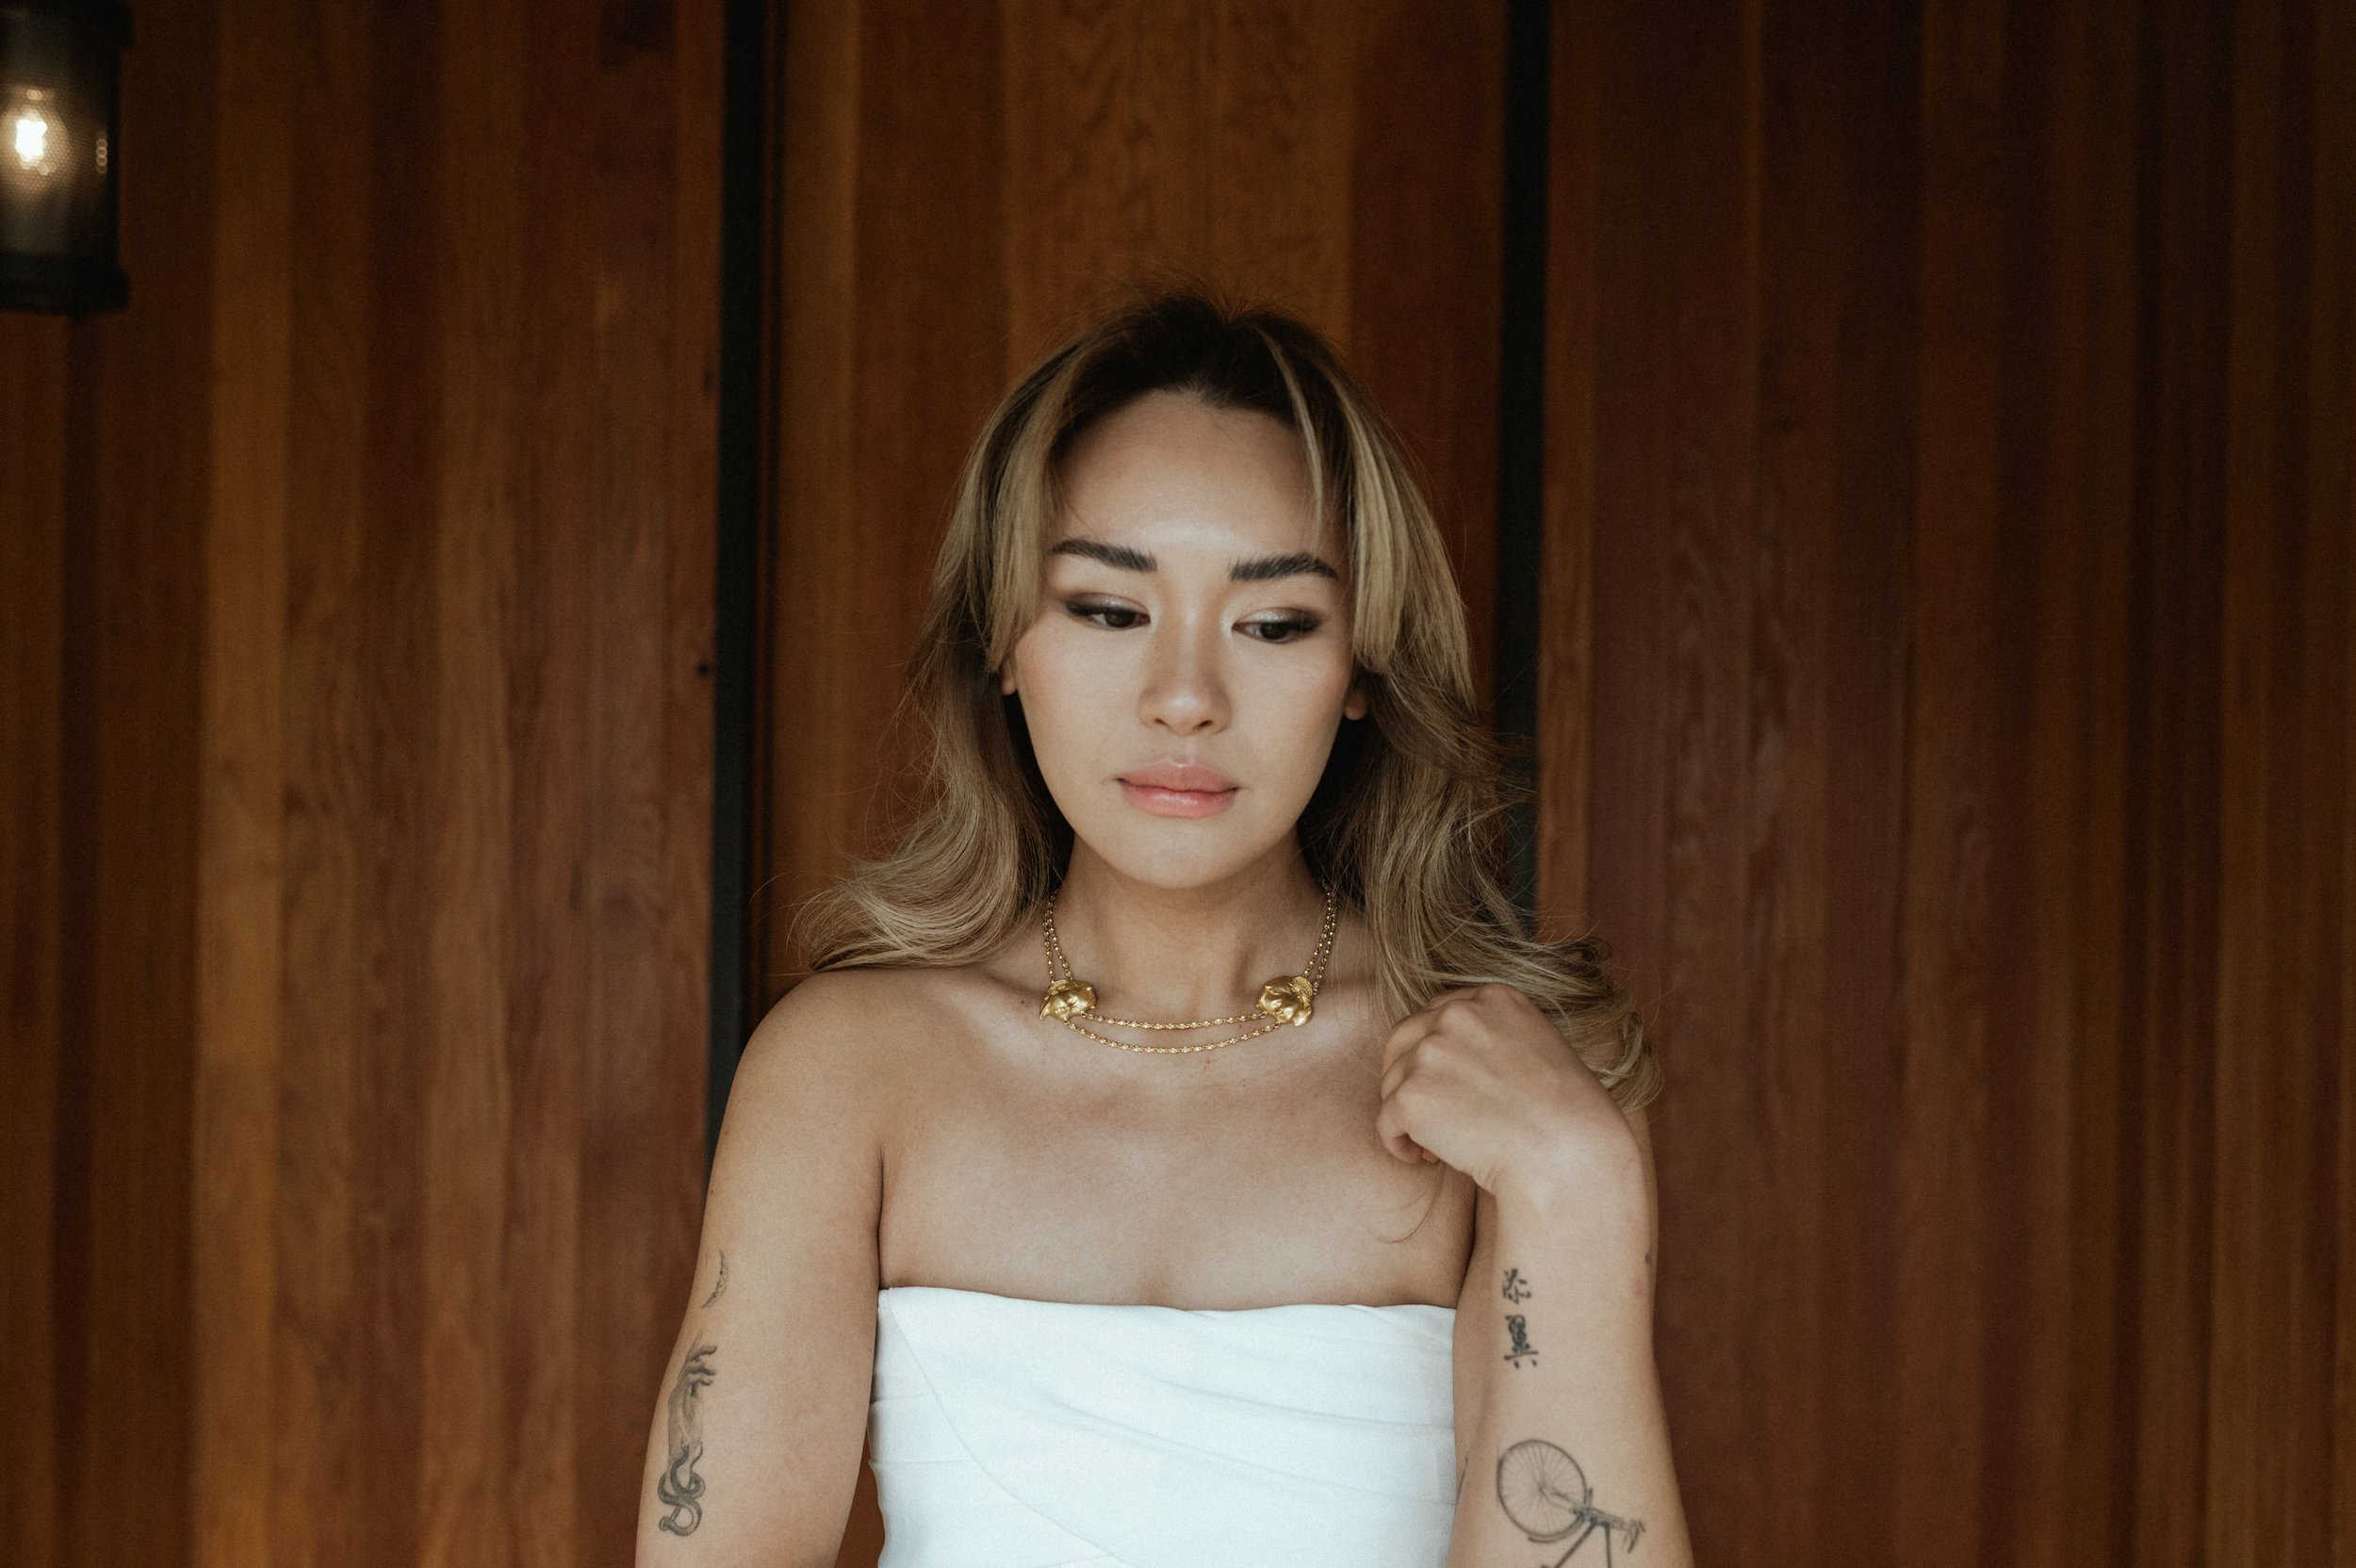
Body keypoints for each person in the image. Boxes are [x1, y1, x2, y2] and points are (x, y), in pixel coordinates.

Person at [633, 292, 1693, 1567]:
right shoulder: (848, 1070)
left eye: (1274, 622)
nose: (1185, 697)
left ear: (1360, 664)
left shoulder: (1518, 1089)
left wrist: (1576, 1184)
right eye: (1108, 608)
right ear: (1003, 642)